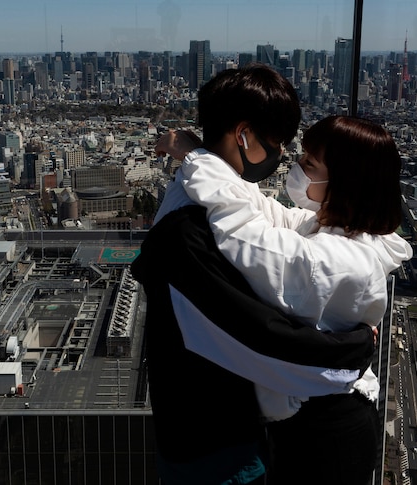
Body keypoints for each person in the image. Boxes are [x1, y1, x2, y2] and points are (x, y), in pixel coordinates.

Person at [130, 65, 378, 485]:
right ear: (243, 135)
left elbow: (264, 216)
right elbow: (259, 337)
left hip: (211, 429)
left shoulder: (207, 193)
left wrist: (192, 151)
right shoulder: (189, 234)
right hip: (213, 446)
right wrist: (353, 348)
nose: (280, 154)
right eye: (276, 142)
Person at [157, 115, 413, 484]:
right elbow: (266, 211)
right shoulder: (331, 230)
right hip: (311, 418)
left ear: (344, 179)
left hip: (327, 433)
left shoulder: (341, 258)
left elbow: (244, 232)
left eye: (309, 163)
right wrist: (208, 157)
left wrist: (196, 156)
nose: (297, 168)